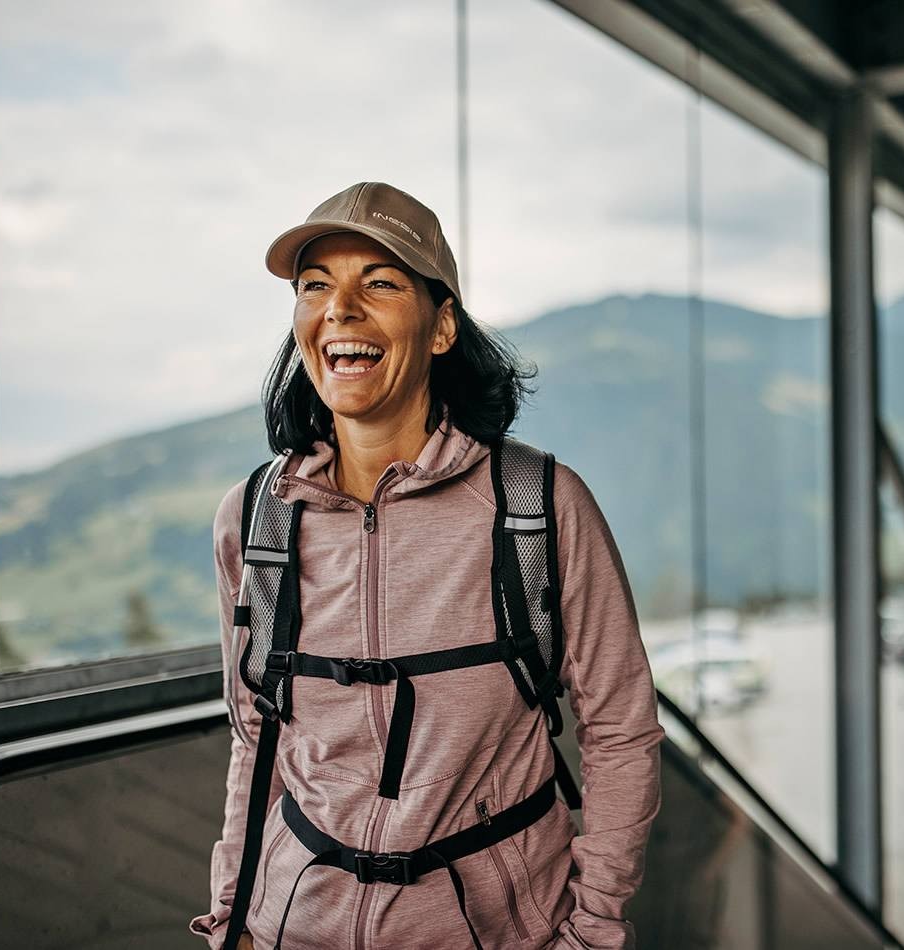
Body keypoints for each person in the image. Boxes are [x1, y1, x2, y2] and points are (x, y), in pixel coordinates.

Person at [189, 182, 663, 949]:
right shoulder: (256, 521)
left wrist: (591, 930)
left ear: (442, 327)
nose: (340, 308)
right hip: (292, 926)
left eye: (379, 282)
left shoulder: (537, 507)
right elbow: (257, 737)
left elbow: (621, 730)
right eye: (317, 286)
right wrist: (233, 917)